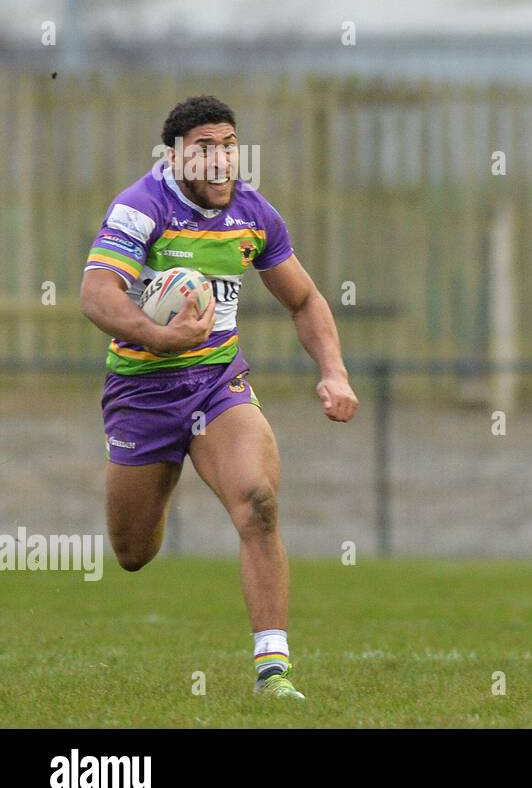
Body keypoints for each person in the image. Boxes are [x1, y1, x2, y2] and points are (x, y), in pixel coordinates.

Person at [81, 95, 358, 699]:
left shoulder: (253, 215)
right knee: (132, 552)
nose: (219, 161)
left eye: (228, 147)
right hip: (143, 393)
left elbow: (306, 300)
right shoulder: (140, 208)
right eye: (204, 148)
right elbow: (98, 293)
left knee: (257, 502)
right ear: (176, 156)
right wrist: (161, 334)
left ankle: (273, 671)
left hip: (217, 383)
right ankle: (163, 469)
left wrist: (334, 371)